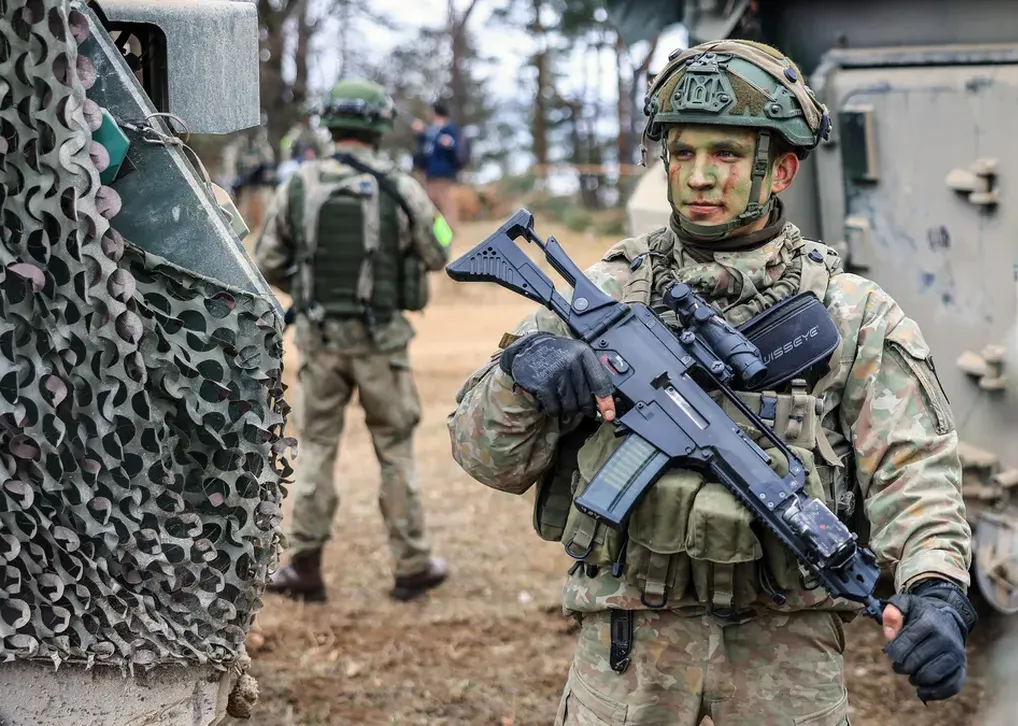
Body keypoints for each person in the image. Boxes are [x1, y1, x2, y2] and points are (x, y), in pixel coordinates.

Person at [446, 40, 976, 724]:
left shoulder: (850, 313)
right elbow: (484, 456)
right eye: (683, 153)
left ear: (781, 169)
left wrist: (935, 588)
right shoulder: (605, 294)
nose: (699, 177)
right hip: (627, 660)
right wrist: (527, 370)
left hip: (787, 662)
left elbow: (917, 472)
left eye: (726, 155)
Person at [255, 78, 454, 603]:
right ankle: (412, 566)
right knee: (396, 451)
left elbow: (267, 261)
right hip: (383, 343)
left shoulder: (298, 184)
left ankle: (304, 568)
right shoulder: (402, 186)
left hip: (320, 341)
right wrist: (432, 233)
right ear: (380, 125)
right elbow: (440, 250)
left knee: (317, 448)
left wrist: (312, 287)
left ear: (330, 122)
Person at [411, 101, 463, 227]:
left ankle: (450, 231)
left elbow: (452, 147)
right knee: (432, 203)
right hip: (430, 172)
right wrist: (421, 133)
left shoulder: (449, 128)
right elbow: (426, 148)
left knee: (445, 202)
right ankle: (439, 233)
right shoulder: (433, 129)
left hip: (443, 172)